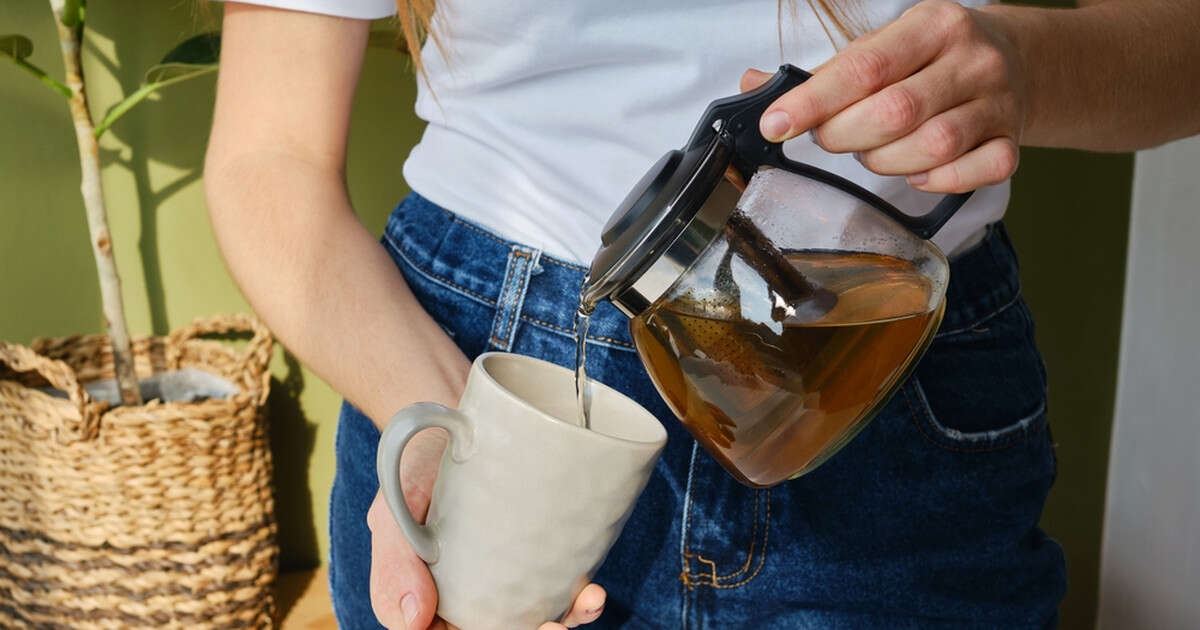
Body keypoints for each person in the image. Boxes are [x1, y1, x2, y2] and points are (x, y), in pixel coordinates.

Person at [204, 0, 1200, 627]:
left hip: (884, 369)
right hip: (474, 356)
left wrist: (1027, 63)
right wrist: (460, 442)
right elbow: (267, 162)